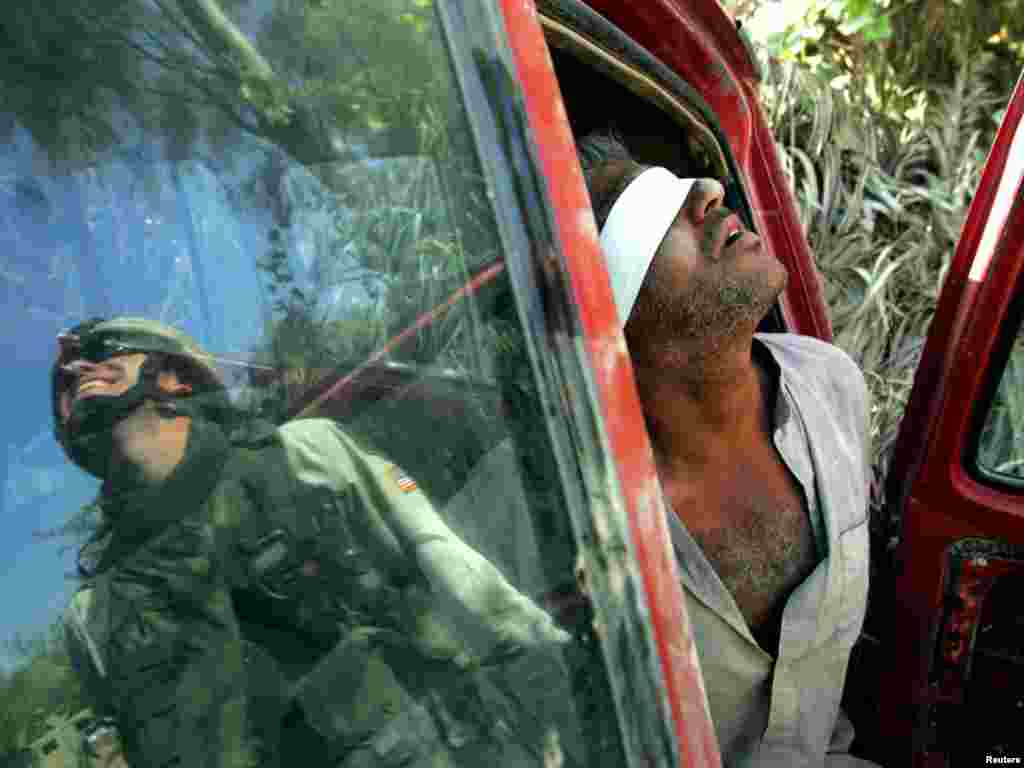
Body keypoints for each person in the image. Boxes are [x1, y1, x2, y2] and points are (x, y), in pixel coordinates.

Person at [53, 316, 570, 768]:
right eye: (64, 379)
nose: (75, 370)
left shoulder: (307, 455)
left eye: (103, 354)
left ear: (174, 378)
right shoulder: (93, 614)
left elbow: (454, 567)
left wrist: (557, 680)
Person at [577, 134, 876, 767]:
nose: (706, 190)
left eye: (679, 177)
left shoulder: (832, 387)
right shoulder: (571, 527)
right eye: (634, 200)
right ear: (586, 291)